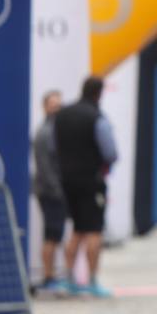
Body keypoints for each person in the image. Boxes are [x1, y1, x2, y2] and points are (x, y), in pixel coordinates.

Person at [54, 76, 120, 299]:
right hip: (91, 181)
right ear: (99, 93)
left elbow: (54, 147)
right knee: (93, 231)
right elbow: (110, 152)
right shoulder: (96, 117)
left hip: (67, 180)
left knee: (76, 230)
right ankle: (91, 280)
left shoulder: (62, 115)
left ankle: (69, 280)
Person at [29, 89, 66, 292]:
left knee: (54, 234)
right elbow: (44, 166)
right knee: (51, 234)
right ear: (45, 107)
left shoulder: (54, 131)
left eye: (59, 106)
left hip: (52, 190)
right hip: (50, 191)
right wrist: (57, 190)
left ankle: (51, 274)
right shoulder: (45, 133)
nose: (56, 109)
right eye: (53, 105)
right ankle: (48, 275)